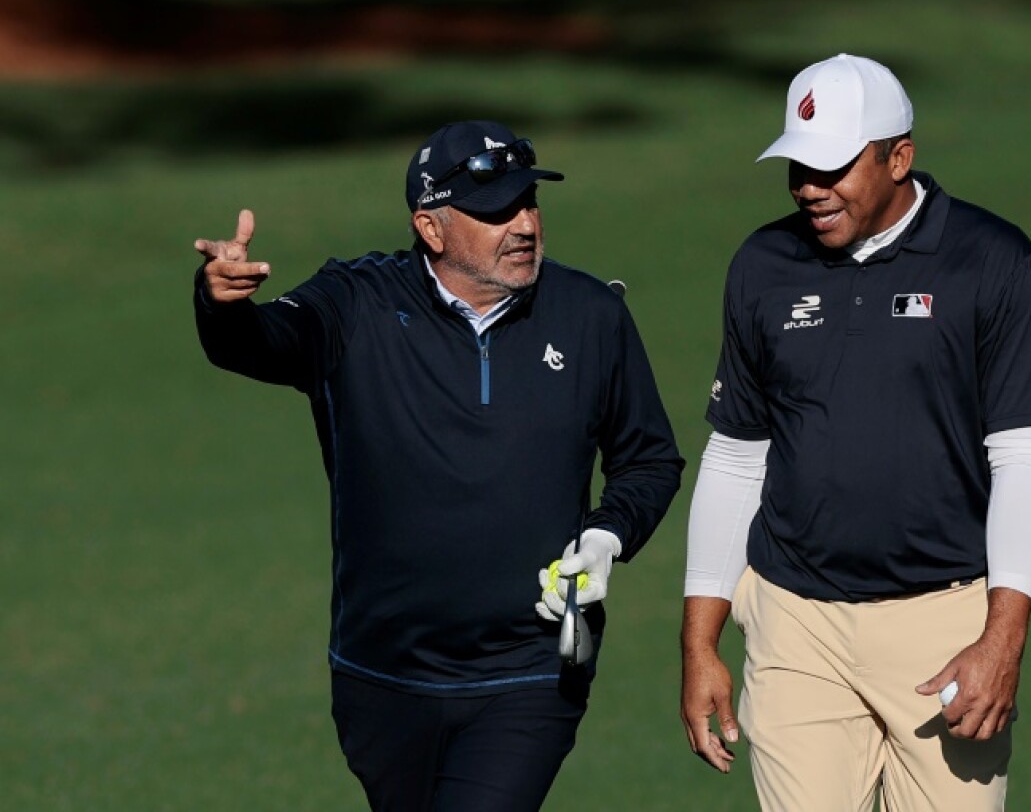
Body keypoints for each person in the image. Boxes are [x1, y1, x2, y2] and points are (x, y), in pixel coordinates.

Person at [192, 119, 684, 811]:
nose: (523, 224)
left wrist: (607, 537)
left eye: (529, 204)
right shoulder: (355, 303)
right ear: (431, 227)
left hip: (529, 672)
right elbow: (263, 342)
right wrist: (221, 304)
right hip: (384, 675)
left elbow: (649, 457)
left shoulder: (589, 315)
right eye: (495, 211)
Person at [680, 54, 1031, 811]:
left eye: (833, 167)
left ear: (900, 157)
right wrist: (700, 643)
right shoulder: (763, 265)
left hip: (944, 624)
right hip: (796, 624)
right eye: (798, 166)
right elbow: (734, 457)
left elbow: (1023, 458)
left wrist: (1003, 637)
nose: (810, 189)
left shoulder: (993, 262)